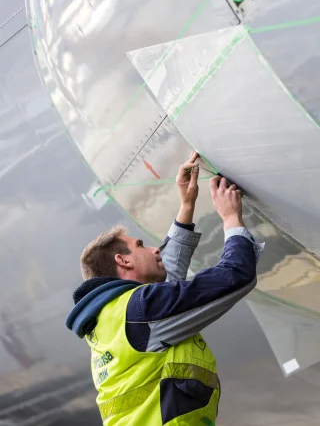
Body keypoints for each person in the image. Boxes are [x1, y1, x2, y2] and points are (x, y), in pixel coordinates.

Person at [65, 152, 263, 425]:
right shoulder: (138, 311)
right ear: (122, 261)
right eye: (141, 245)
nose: (154, 248)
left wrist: (186, 205)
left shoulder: (110, 318)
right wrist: (230, 218)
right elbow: (236, 276)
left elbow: (166, 286)